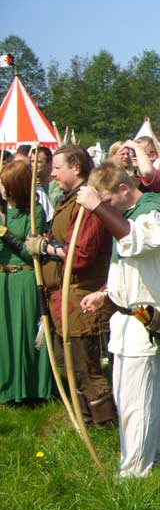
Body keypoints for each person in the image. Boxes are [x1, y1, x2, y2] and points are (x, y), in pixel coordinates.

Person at [76, 162, 160, 477]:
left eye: (108, 201)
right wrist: (104, 293)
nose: (105, 209)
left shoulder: (155, 212)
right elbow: (133, 269)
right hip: (127, 319)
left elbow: (139, 242)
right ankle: (156, 457)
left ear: (124, 189)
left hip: (147, 320)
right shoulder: (130, 215)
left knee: (136, 401)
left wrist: (97, 207)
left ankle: (135, 473)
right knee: (138, 397)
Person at [25, 145, 117, 425]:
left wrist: (47, 248)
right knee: (70, 365)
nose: (51, 174)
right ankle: (85, 417)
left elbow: (81, 256)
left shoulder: (87, 204)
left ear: (76, 167)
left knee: (87, 367)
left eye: (57, 167)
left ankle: (105, 423)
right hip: (63, 300)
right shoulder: (69, 201)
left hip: (81, 299)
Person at [0, 160, 52, 404]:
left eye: (4, 183)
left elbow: (33, 254)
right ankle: (6, 386)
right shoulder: (0, 209)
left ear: (15, 186)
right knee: (5, 334)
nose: (0, 187)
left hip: (24, 278)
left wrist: (6, 235)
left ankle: (30, 389)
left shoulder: (34, 212)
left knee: (24, 334)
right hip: (2, 279)